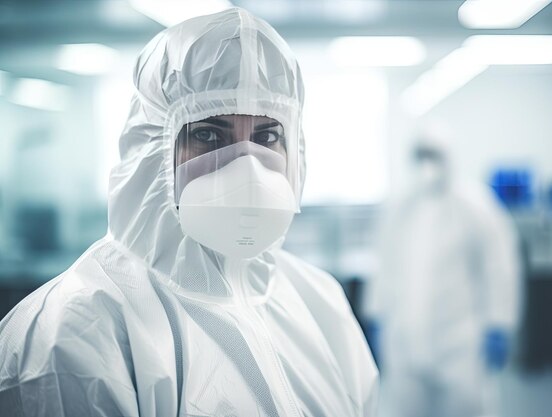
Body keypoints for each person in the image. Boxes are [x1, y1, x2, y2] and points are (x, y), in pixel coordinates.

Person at [0, 8, 378, 417]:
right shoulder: (75, 331)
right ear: (151, 148)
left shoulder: (319, 302)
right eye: (207, 134)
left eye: (267, 135)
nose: (246, 167)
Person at [369, 129, 521, 417]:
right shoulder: (400, 207)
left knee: (466, 410)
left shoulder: (476, 204)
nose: (428, 164)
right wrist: (376, 314)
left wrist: (500, 322)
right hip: (405, 340)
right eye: (422, 156)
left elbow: (499, 266)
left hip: (460, 343)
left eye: (434, 155)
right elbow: (383, 264)